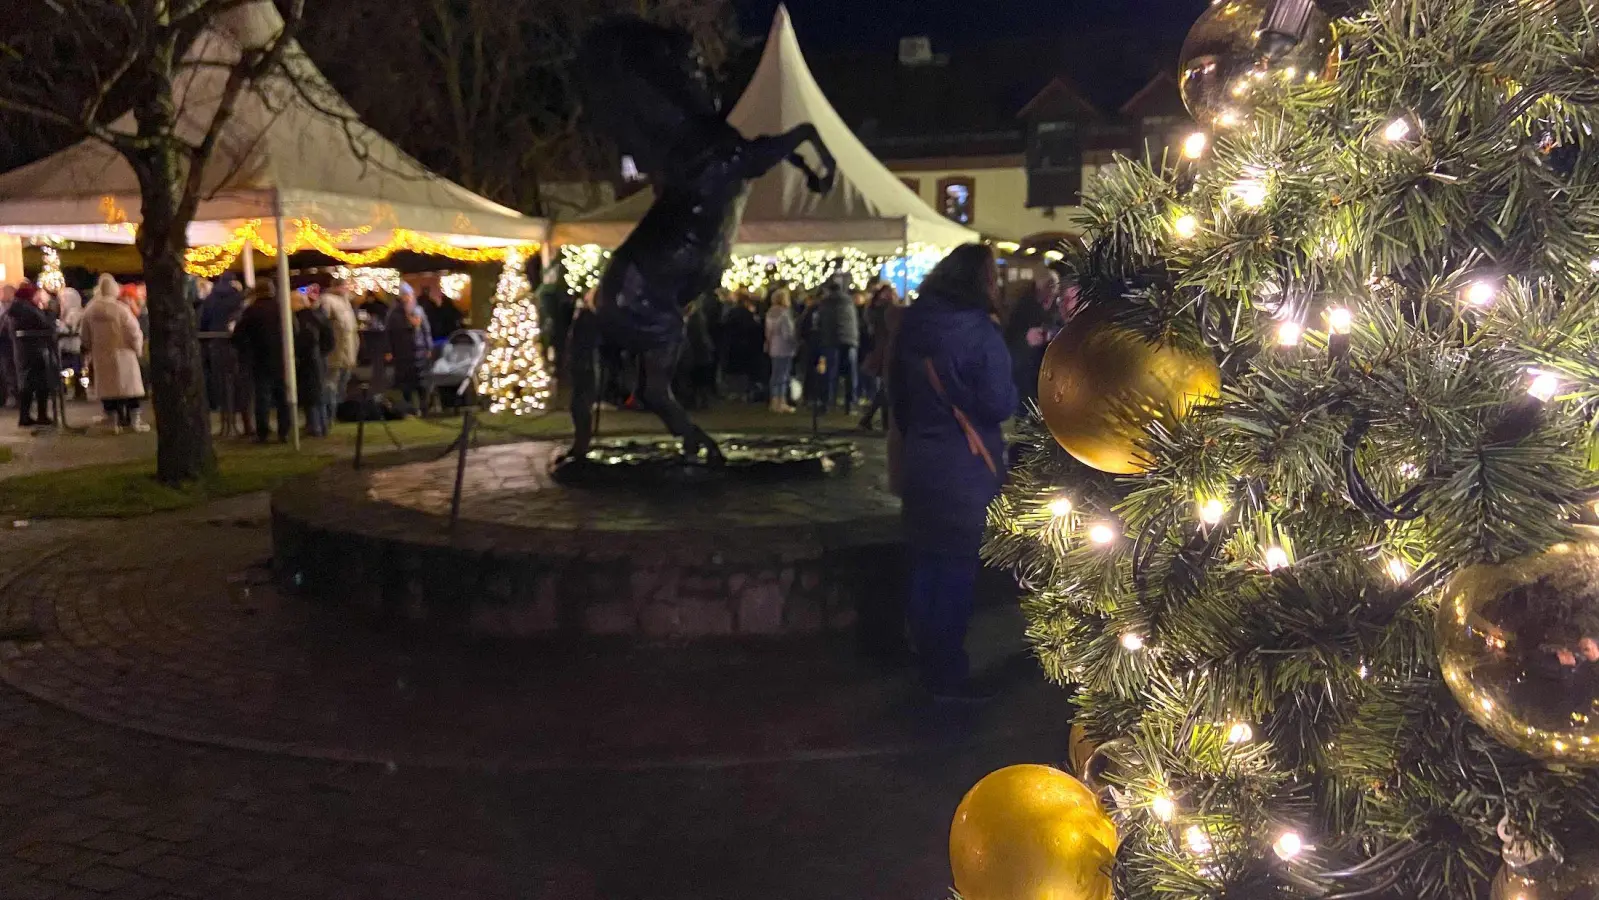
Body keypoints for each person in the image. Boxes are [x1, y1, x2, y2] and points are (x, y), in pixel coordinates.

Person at [890, 243, 1016, 701]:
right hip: (965, 465)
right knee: (957, 567)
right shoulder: (980, 333)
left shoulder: (912, 325)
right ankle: (946, 672)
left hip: (922, 459)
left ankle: (925, 656)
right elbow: (1001, 402)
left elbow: (898, 401)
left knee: (926, 560)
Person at [82, 273, 148, 434]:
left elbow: (85, 335)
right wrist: (137, 349)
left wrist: (90, 349)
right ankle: (134, 421)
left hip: (102, 355)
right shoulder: (121, 309)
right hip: (124, 354)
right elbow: (134, 332)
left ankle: (112, 421)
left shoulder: (90, 311)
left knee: (108, 390)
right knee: (130, 390)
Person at [232, 284, 290, 442]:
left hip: (259, 357)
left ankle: (262, 432)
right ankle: (284, 431)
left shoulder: (252, 311)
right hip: (281, 357)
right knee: (282, 396)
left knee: (262, 396)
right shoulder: (282, 308)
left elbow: (239, 335)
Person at [1004, 268, 1066, 411]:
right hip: (1027, 371)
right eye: (1049, 285)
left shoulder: (1058, 307)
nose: (1053, 290)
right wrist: (1026, 339)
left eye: (1055, 286)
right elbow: (1011, 338)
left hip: (1047, 371)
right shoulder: (1024, 307)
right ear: (1039, 286)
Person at [7, 283, 57, 428]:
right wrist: (49, 311)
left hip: (25, 351)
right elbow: (47, 325)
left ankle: (26, 416)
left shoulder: (18, 309)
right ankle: (39, 416)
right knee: (40, 383)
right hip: (35, 351)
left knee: (27, 384)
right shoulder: (27, 309)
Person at [291, 291, 335, 437]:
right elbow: (329, 339)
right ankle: (322, 424)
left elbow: (303, 341)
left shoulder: (300, 320)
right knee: (319, 392)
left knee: (310, 394)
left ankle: (315, 426)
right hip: (318, 358)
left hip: (307, 360)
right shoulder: (318, 316)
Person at [815, 271, 860, 412]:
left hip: (831, 340)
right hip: (849, 340)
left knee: (830, 373)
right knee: (850, 373)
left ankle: (827, 402)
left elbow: (820, 323)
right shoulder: (849, 302)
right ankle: (850, 402)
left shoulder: (825, 303)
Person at [858, 283, 901, 430]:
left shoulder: (874, 310)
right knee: (886, 387)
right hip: (886, 350)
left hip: (881, 349)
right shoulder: (887, 310)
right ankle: (882, 421)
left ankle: (872, 419)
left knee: (885, 387)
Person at [385, 285, 433, 413]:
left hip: (419, 351)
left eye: (409, 295)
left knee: (421, 381)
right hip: (402, 352)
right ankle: (410, 407)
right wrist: (389, 350)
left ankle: (424, 407)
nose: (407, 298)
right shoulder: (394, 314)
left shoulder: (419, 310)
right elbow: (389, 333)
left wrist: (429, 347)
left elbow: (426, 330)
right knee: (405, 382)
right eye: (405, 295)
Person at [320, 282, 359, 426]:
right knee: (331, 386)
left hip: (347, 355)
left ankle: (337, 414)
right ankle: (328, 417)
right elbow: (324, 326)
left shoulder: (346, 303)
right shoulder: (327, 301)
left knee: (341, 386)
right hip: (335, 354)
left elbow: (351, 332)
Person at [764, 289, 798, 414]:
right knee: (783, 375)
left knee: (775, 375)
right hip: (784, 347)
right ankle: (781, 402)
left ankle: (774, 401)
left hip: (774, 346)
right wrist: (795, 343)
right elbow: (787, 333)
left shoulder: (770, 313)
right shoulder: (784, 314)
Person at [57, 286, 86, 401]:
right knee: (74, 368)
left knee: (74, 368)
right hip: (70, 344)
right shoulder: (73, 311)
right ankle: (77, 391)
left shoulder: (74, 313)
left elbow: (70, 329)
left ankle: (78, 391)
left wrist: (60, 329)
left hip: (72, 345)